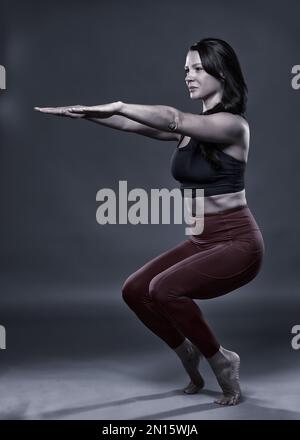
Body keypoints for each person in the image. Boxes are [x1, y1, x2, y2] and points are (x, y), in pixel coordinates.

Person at [34, 37, 265, 406]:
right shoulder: (189, 130)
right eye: (186, 69)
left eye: (196, 68)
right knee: (135, 290)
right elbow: (130, 126)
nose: (188, 75)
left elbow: (173, 117)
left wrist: (120, 103)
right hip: (203, 240)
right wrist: (88, 113)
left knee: (163, 289)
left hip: (238, 244)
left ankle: (221, 359)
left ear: (220, 72)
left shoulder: (234, 126)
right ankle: (186, 351)